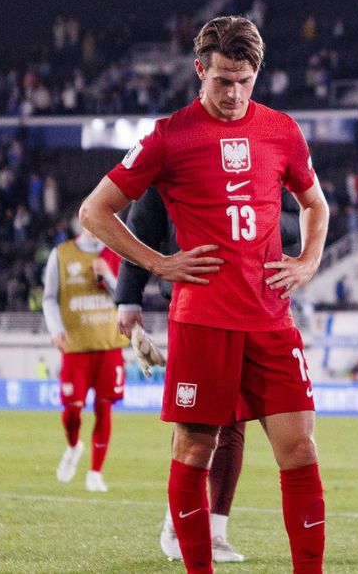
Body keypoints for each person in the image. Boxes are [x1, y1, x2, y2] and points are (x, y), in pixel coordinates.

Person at [78, 15, 329, 574]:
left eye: (243, 80)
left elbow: (316, 204)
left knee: (300, 449)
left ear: (256, 74)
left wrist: (308, 261)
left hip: (271, 318)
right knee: (195, 451)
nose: (233, 93)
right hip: (204, 321)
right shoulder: (169, 136)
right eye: (221, 80)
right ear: (200, 70)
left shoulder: (282, 130)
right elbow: (95, 211)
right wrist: (158, 263)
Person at [113, 185, 258, 564]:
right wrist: (129, 298)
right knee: (196, 424)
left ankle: (217, 531)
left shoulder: (267, 143)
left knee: (236, 420)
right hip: (195, 302)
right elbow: (141, 226)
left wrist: (294, 257)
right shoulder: (178, 144)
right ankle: (178, 522)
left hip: (255, 302)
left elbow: (292, 214)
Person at [43, 222, 128, 492]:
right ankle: (73, 447)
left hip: (109, 344)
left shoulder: (117, 253)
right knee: (72, 412)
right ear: (80, 223)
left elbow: (127, 297)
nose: (94, 226)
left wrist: (110, 277)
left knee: (104, 408)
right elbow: (48, 298)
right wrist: (56, 329)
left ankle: (95, 472)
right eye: (89, 221)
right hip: (76, 346)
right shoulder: (61, 254)